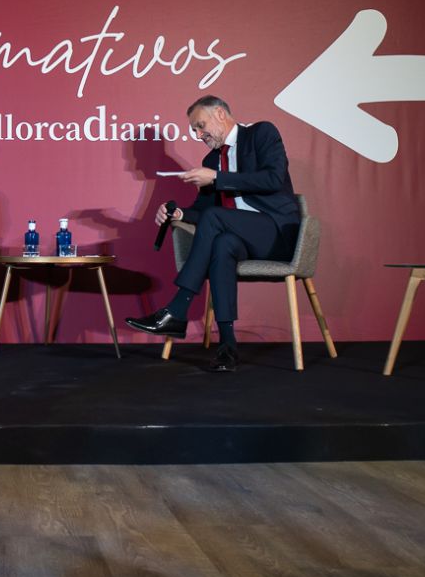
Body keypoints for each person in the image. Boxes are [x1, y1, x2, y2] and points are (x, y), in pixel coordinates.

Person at [126, 95, 299, 373]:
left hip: (276, 233)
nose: (198, 135)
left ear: (220, 114)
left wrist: (217, 178)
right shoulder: (211, 160)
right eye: (194, 130)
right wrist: (179, 214)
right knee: (222, 243)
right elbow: (204, 211)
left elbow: (273, 178)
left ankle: (177, 309)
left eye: (200, 126)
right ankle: (227, 347)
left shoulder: (261, 133)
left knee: (217, 219)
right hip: (240, 238)